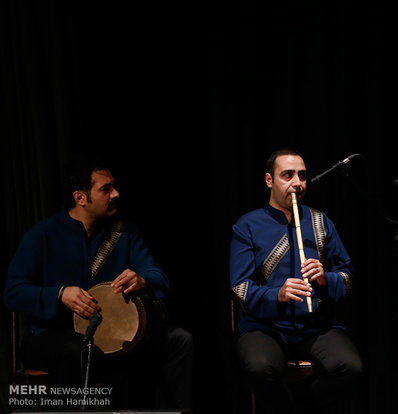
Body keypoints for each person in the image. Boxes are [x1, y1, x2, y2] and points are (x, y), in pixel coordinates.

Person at [4, 158, 194, 410]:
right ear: (80, 197)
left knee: (179, 340)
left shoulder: (124, 232)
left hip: (115, 335)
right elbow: (13, 292)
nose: (116, 194)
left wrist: (142, 278)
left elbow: (157, 274)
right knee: (79, 350)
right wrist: (60, 294)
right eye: (106, 189)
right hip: (52, 336)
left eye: (113, 187)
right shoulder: (42, 236)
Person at [230, 149, 362, 413]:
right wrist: (277, 294)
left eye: (301, 176)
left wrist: (326, 278)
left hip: (315, 325)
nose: (297, 183)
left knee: (350, 367)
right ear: (270, 181)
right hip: (265, 326)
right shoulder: (247, 226)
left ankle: (299, 408)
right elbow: (240, 288)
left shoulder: (320, 221)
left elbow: (347, 277)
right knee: (259, 368)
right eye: (287, 175)